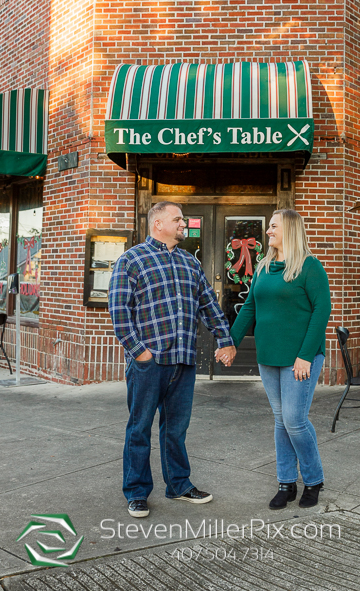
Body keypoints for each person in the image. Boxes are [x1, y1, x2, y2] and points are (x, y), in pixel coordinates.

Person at [108, 201, 236, 518]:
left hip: (183, 360)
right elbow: (119, 311)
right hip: (148, 363)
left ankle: (178, 485)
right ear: (158, 224)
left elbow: (208, 303)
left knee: (175, 430)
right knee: (139, 429)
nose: (183, 223)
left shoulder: (190, 263)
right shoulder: (131, 260)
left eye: (183, 219)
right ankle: (137, 493)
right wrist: (139, 351)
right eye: (177, 219)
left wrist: (225, 339)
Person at [230, 209, 331, 510]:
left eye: (274, 226)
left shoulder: (310, 267)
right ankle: (286, 482)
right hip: (269, 356)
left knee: (295, 421)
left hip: (298, 358)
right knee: (280, 420)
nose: (269, 231)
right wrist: (230, 343)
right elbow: (249, 308)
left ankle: (313, 480)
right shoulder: (263, 267)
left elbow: (321, 311)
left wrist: (305, 356)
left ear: (289, 229)